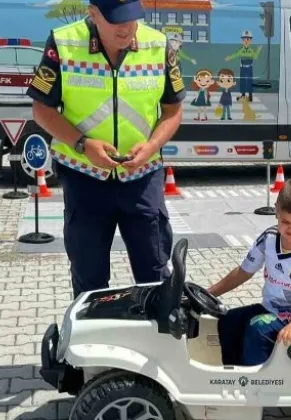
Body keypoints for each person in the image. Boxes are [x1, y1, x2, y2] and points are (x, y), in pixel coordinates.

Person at [26, 0, 187, 298]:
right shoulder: (63, 43)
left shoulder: (159, 45)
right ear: (93, 14)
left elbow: (173, 111)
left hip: (142, 177)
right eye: (116, 20)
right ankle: (92, 339)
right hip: (84, 177)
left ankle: (156, 337)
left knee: (154, 272)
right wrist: (82, 145)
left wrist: (152, 145)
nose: (127, 28)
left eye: (132, 18)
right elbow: (42, 110)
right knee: (89, 276)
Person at [207, 177, 291, 366]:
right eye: (285, 221)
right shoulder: (268, 238)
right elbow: (244, 272)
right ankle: (234, 374)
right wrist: (209, 293)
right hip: (271, 310)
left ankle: (258, 386)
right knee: (229, 320)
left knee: (258, 328)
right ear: (276, 211)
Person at [225, 30, 263, 102]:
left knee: (249, 81)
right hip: (242, 67)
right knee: (242, 81)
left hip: (249, 67)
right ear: (242, 41)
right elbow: (235, 55)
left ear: (250, 41)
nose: (246, 41)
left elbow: (255, 57)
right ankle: (243, 94)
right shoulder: (241, 50)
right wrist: (229, 58)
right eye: (244, 39)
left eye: (248, 39)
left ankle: (250, 95)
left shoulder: (251, 50)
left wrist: (258, 50)